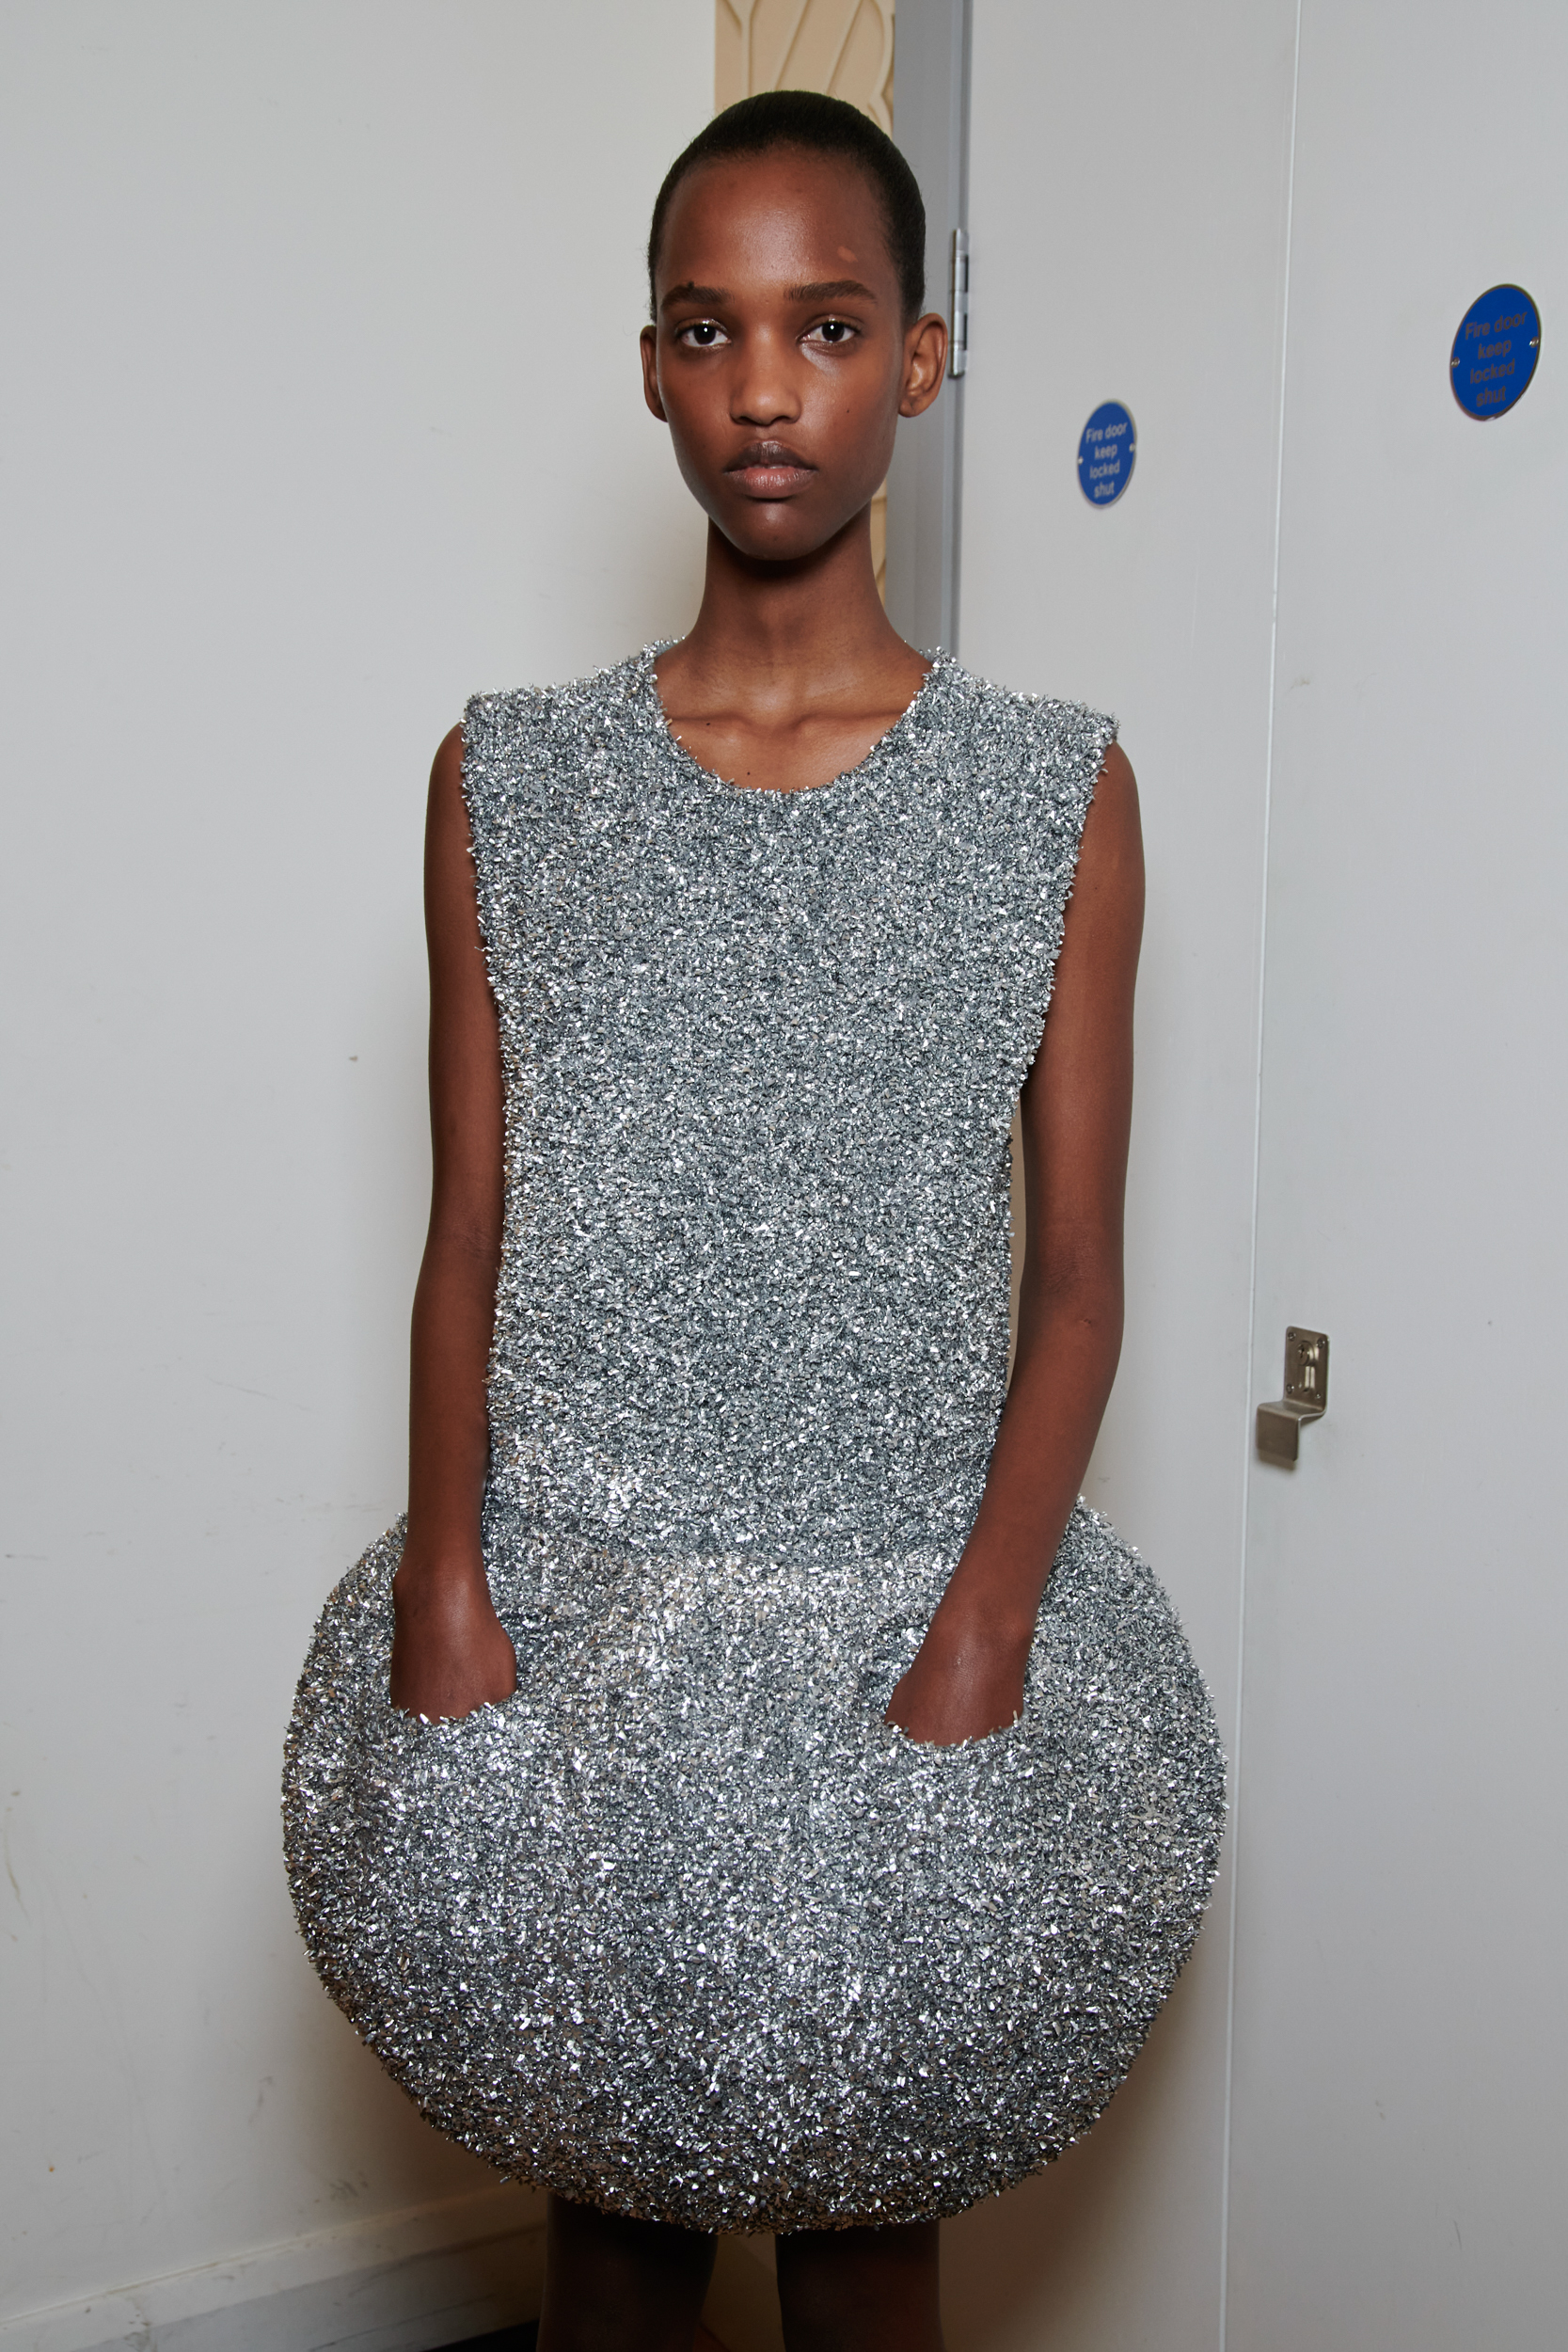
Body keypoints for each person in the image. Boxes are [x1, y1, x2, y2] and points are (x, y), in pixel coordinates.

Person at [284, 90, 1224, 2352]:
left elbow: (1078, 1281)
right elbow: (465, 1228)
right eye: (710, 329)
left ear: (921, 360)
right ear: (651, 367)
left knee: (864, 2232)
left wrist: (980, 1634)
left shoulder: (1056, 791)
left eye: (829, 325)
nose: (767, 387)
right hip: (579, 1619)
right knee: (606, 2226)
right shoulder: (504, 776)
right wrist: (444, 1578)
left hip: (901, 1618)